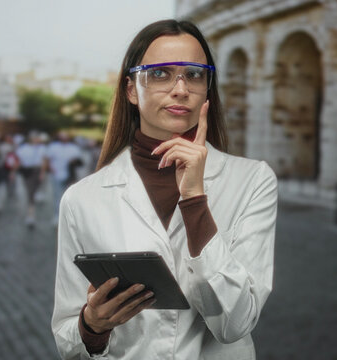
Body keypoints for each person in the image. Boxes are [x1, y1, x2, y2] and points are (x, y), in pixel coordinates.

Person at [52, 20, 278, 360]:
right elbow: (67, 340)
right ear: (131, 89)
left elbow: (237, 323)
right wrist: (92, 326)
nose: (180, 89)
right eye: (160, 74)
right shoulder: (83, 198)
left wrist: (195, 201)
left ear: (207, 88)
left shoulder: (252, 181)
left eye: (194, 74)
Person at [45, 130, 83, 226]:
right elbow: (47, 159)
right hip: (56, 174)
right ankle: (57, 215)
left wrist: (73, 161)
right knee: (57, 196)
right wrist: (51, 169)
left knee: (69, 197)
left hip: (70, 176)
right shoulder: (53, 147)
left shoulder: (74, 148)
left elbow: (79, 161)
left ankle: (69, 217)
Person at [15, 131, 48, 227]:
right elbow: (19, 160)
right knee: (30, 192)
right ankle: (30, 214)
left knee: (31, 192)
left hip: (36, 171)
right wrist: (13, 172)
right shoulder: (23, 148)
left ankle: (30, 213)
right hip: (27, 171)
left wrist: (42, 173)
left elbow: (44, 161)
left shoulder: (42, 148)